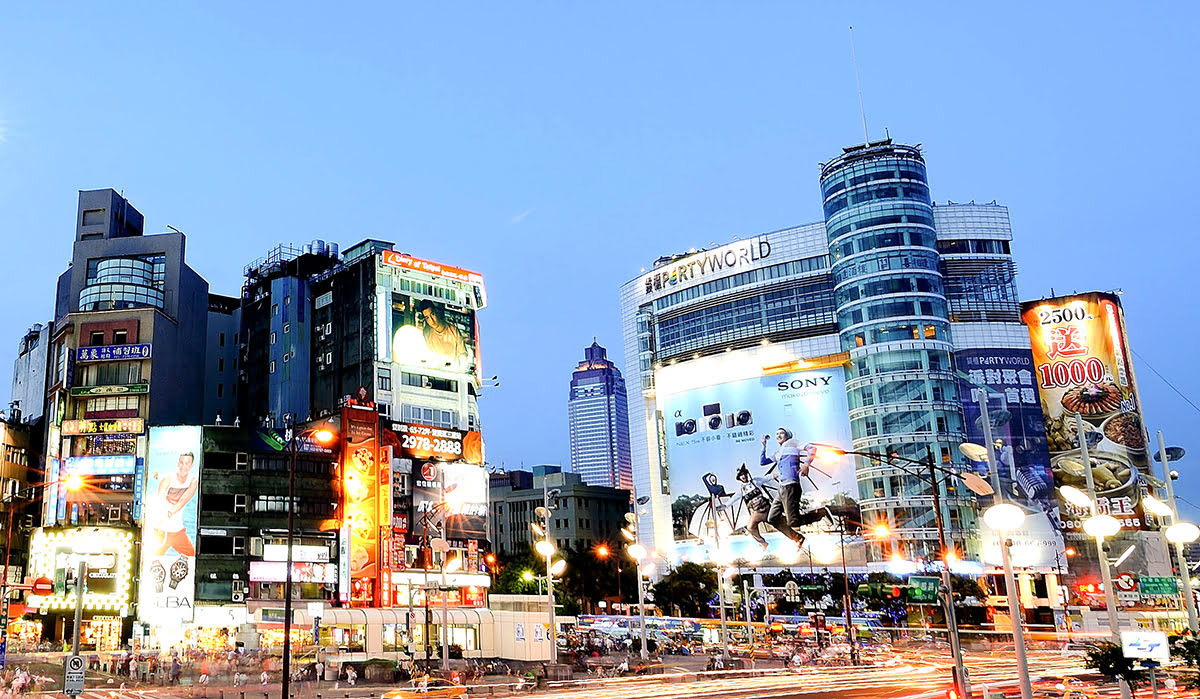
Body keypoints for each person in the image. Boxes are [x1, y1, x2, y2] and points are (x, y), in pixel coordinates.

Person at [150, 452, 199, 556]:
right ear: (178, 464)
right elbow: (158, 499)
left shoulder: (193, 482)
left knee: (192, 557)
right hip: (161, 531)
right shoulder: (168, 478)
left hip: (177, 531)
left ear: (192, 466)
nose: (183, 466)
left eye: (187, 463)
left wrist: (168, 514)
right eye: (181, 463)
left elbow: (182, 501)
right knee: (152, 560)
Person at [734, 464, 773, 549]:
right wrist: (725, 505)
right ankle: (763, 543)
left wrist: (777, 475)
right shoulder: (741, 489)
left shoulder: (755, 481)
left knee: (777, 521)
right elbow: (734, 498)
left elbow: (767, 478)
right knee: (750, 527)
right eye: (741, 475)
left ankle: (796, 538)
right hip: (756, 512)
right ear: (740, 478)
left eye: (744, 474)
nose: (743, 476)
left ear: (747, 474)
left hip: (765, 507)